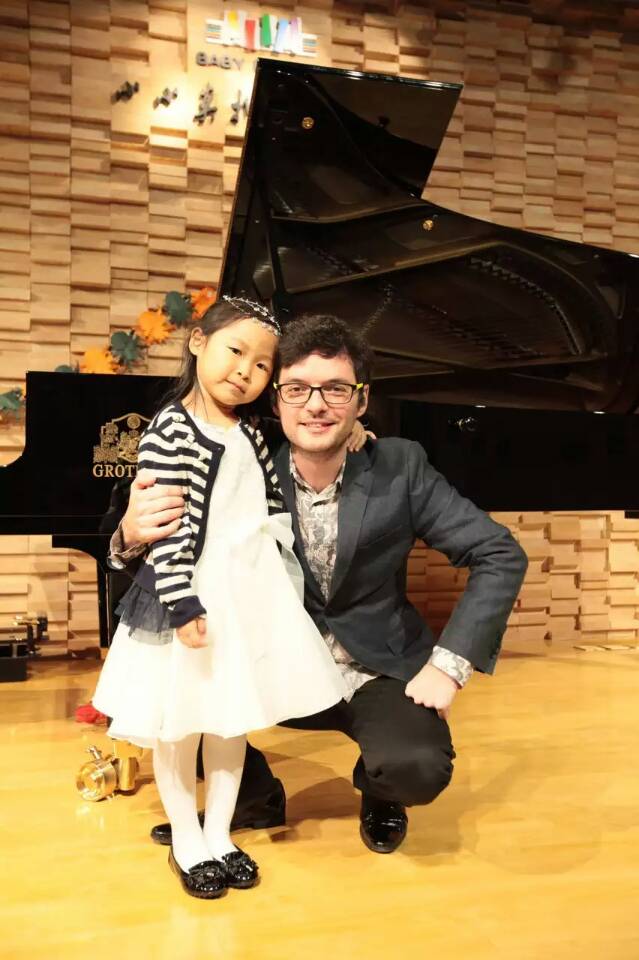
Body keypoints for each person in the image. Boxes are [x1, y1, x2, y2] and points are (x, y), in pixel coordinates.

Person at [112, 313, 528, 858]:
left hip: (376, 668)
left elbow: (499, 552)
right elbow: (131, 536)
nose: (315, 405)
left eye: (335, 389)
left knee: (415, 768)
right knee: (178, 710)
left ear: (361, 401)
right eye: (298, 388)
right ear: (276, 397)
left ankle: (379, 791)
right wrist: (128, 531)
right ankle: (254, 799)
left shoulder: (399, 466)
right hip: (274, 662)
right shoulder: (246, 457)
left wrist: (449, 665)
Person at [93, 298, 375, 900]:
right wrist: (184, 605)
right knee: (181, 727)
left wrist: (271, 578)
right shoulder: (172, 429)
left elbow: (272, 505)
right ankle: (189, 841)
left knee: (230, 726)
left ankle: (220, 834)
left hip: (246, 600)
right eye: (235, 351)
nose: (246, 370)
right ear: (198, 343)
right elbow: (166, 530)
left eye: (263, 364)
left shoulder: (249, 431)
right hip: (189, 598)